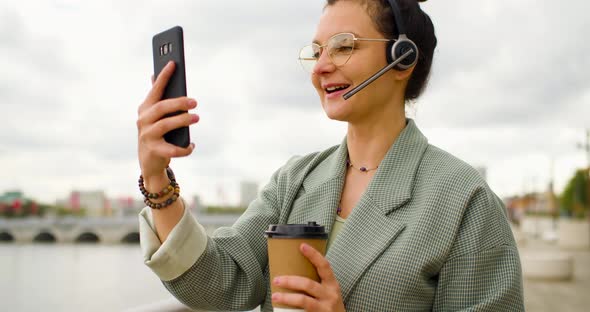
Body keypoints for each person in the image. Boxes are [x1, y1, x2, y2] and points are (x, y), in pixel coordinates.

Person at [136, 0, 525, 311]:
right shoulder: (295, 179)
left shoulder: (464, 200)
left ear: (402, 59)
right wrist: (156, 176)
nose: (321, 67)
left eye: (343, 46)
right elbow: (220, 282)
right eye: (317, 51)